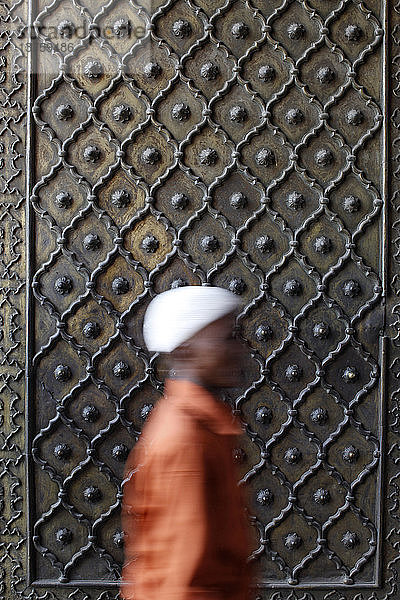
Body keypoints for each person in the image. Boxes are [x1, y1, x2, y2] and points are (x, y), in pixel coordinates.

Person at [120, 285, 250, 600]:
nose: (241, 349)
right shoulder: (185, 439)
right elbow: (185, 574)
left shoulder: (202, 426)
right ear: (185, 350)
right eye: (227, 338)